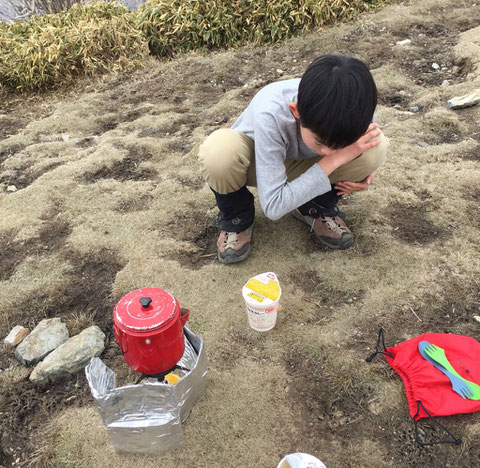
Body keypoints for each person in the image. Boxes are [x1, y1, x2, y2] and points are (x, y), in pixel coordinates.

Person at [199, 55, 388, 264]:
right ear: (295, 111)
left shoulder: (357, 102)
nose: (327, 151)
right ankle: (237, 218)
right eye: (320, 142)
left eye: (338, 146)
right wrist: (336, 159)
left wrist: (365, 168)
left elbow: (367, 140)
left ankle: (315, 207)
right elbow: (273, 207)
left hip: (307, 167)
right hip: (257, 163)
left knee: (375, 149)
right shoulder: (271, 112)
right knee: (218, 152)